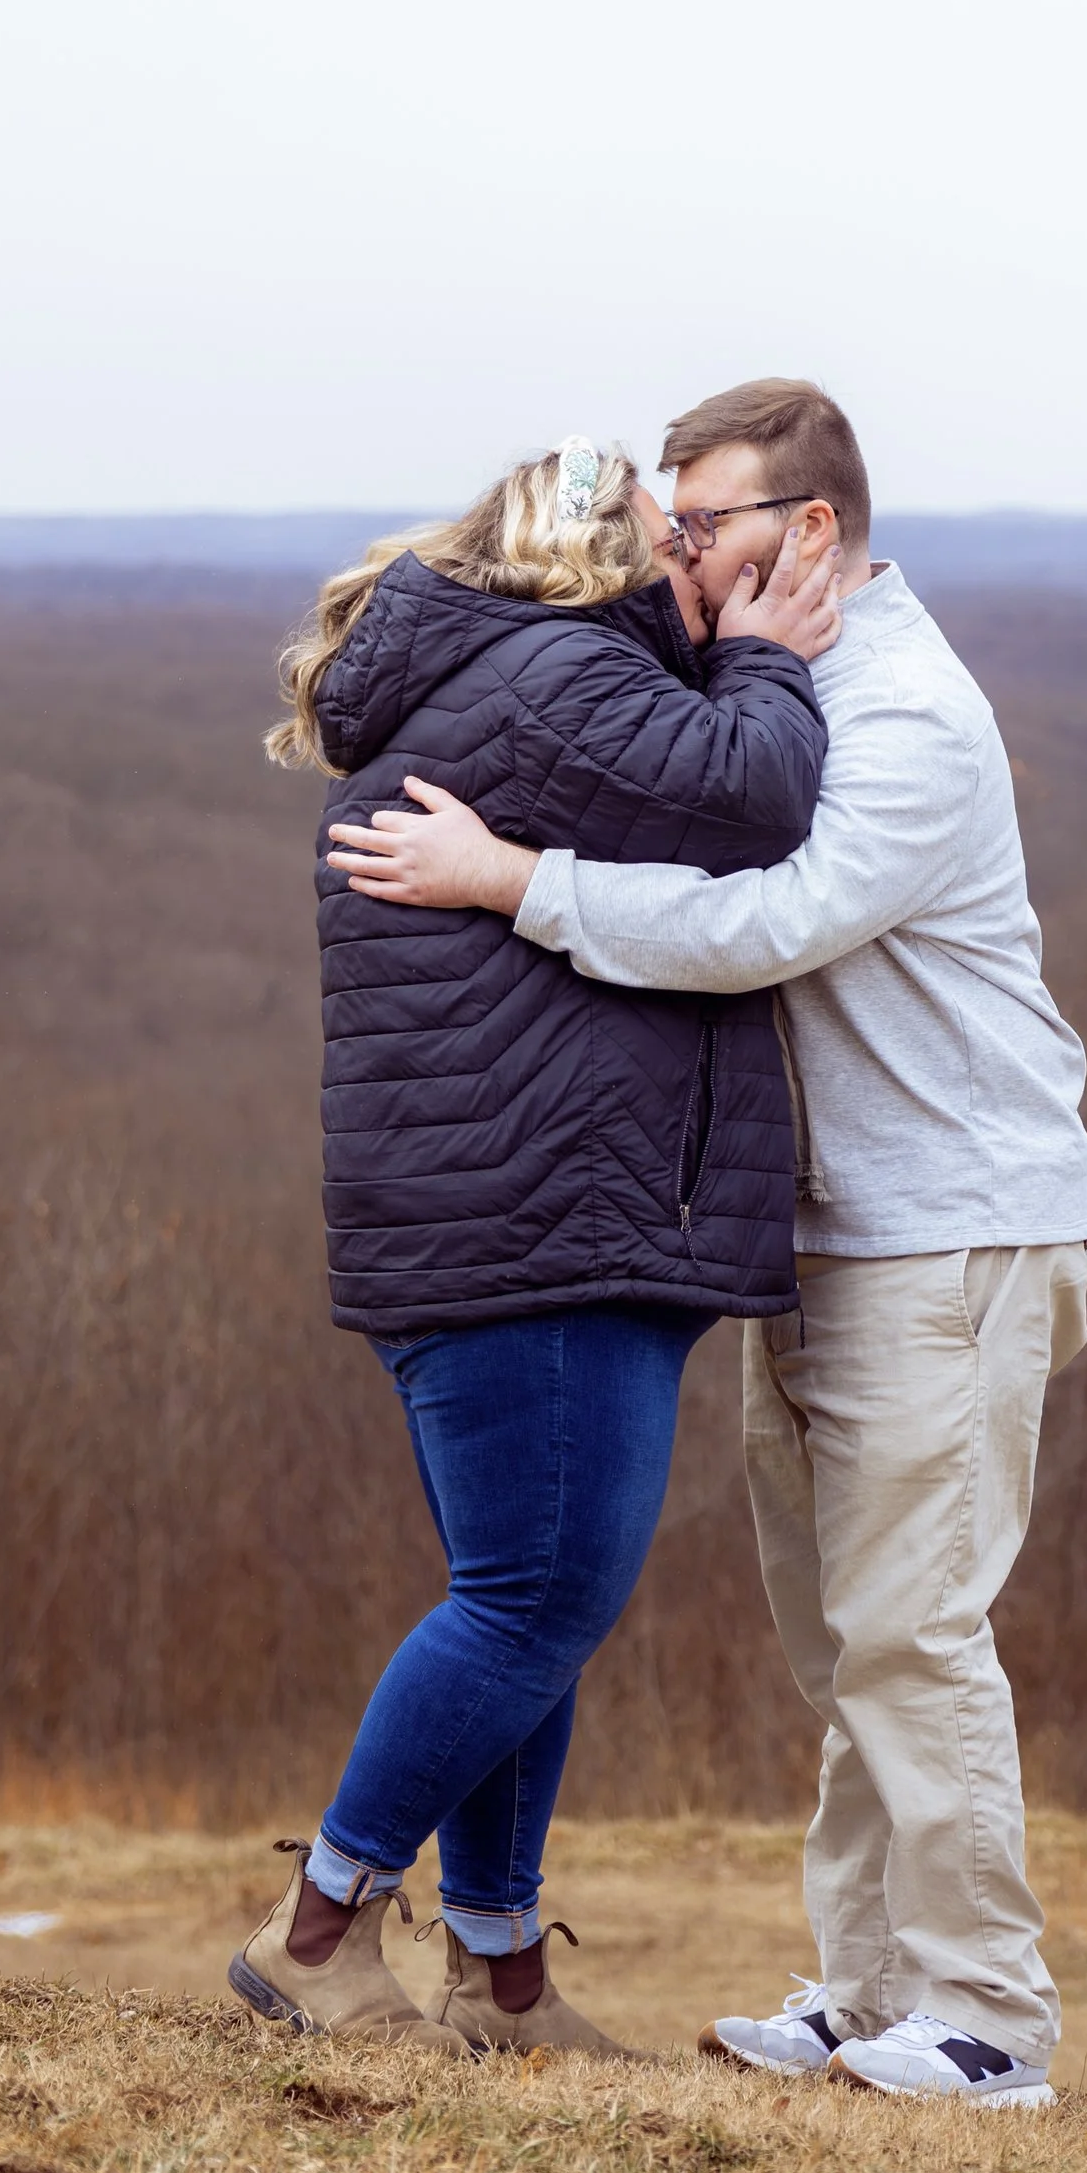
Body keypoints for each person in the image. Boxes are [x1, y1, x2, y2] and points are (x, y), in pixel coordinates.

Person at [330, 380, 1087, 2107]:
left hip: (953, 1225)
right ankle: (866, 1984)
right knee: (842, 1641)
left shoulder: (904, 711)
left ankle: (989, 2014)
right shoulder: (778, 681)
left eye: (708, 524)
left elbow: (775, 923)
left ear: (809, 530)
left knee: (917, 1628)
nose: (678, 551)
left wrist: (508, 879)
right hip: (822, 1235)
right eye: (668, 522)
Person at [229, 434, 838, 2058]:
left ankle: (499, 1976)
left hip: (505, 1226)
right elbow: (756, 797)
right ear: (596, 554)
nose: (697, 545)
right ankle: (319, 1929)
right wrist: (772, 658)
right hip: (540, 1233)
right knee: (533, 1596)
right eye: (672, 521)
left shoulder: (508, 677)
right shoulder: (559, 676)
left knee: (526, 1601)